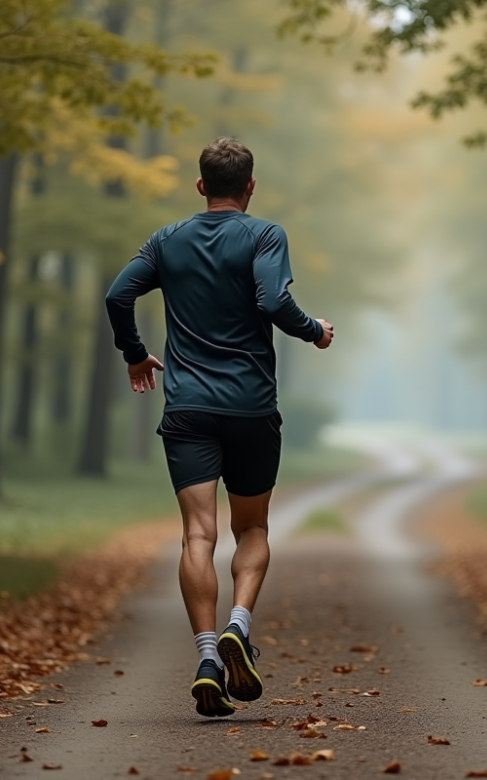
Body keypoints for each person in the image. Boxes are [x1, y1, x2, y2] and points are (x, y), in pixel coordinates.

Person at [105, 137, 335, 718]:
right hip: (252, 407)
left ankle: (208, 656)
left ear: (201, 185)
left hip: (187, 409)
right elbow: (273, 300)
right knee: (251, 529)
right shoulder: (264, 235)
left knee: (197, 536)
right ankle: (239, 624)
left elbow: (117, 294)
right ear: (251, 186)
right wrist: (315, 331)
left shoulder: (167, 239)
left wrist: (135, 354)